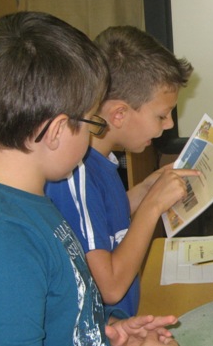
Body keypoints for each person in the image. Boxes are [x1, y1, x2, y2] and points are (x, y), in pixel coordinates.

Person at [0, 11, 179, 346]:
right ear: (54, 131)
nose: (91, 138)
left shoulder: (31, 201)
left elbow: (53, 312)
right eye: (89, 123)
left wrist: (105, 334)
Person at [45, 25, 199, 318]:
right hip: (102, 335)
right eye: (161, 115)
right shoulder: (76, 174)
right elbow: (111, 288)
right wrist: (152, 206)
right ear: (119, 114)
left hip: (122, 322)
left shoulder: (100, 161)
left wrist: (145, 190)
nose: (168, 124)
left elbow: (99, 221)